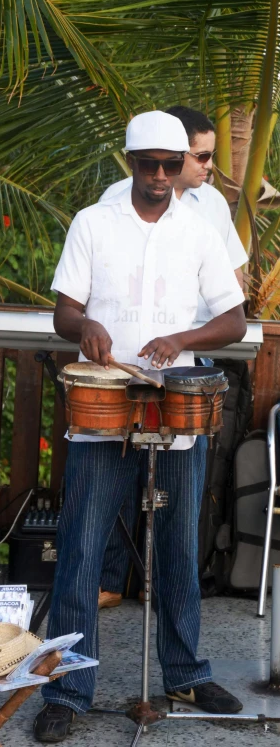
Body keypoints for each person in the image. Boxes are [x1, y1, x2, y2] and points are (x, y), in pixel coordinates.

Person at [33, 110, 247, 743]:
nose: (158, 177)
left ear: (183, 165)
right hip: (105, 407)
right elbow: (64, 312)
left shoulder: (203, 231)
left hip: (175, 405)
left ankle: (183, 672)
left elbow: (233, 322)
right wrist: (85, 328)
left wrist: (181, 337)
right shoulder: (94, 223)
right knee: (81, 548)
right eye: (147, 164)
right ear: (128, 162)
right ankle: (68, 689)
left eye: (170, 165)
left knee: (179, 547)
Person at [98, 106, 248, 610]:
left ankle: (168, 605)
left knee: (177, 515)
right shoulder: (107, 209)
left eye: (184, 159)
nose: (206, 166)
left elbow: (234, 297)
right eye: (201, 156)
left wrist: (185, 337)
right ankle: (113, 579)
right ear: (137, 162)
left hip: (190, 367)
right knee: (118, 489)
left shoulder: (208, 215)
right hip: (118, 377)